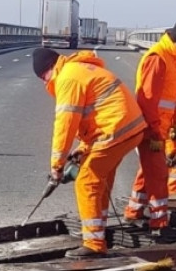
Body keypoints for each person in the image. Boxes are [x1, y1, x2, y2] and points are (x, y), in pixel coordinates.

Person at [32, 47, 147, 258]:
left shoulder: (68, 78)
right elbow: (95, 116)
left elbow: (65, 125)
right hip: (128, 128)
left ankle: (94, 244)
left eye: (43, 77)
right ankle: (99, 230)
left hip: (116, 130)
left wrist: (57, 166)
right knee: (101, 179)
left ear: (49, 69)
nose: (44, 82)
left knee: (86, 181)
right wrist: (82, 149)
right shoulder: (79, 69)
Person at [123, 16, 176, 237]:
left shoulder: (171, 58)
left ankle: (133, 212)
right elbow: (147, 99)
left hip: (159, 128)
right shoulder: (158, 58)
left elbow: (168, 99)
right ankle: (159, 224)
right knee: (158, 175)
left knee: (148, 172)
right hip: (151, 129)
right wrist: (155, 132)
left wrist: (171, 125)